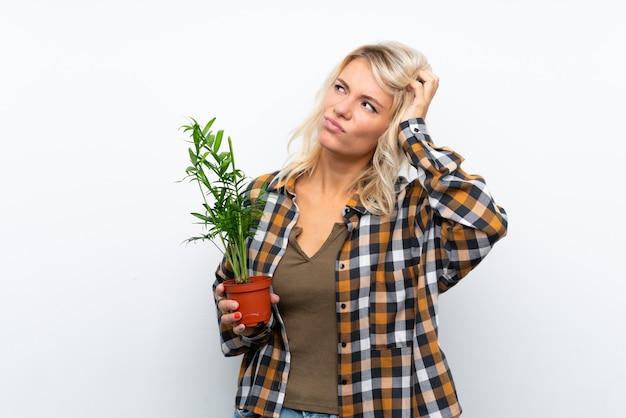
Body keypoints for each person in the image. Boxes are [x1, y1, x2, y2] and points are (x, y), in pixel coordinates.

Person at [213, 40, 508, 418]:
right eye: (341, 88)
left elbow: (487, 223)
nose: (341, 109)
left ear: (391, 126)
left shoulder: (412, 212)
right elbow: (236, 301)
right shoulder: (262, 197)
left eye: (368, 105)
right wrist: (241, 322)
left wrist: (414, 131)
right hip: (267, 407)